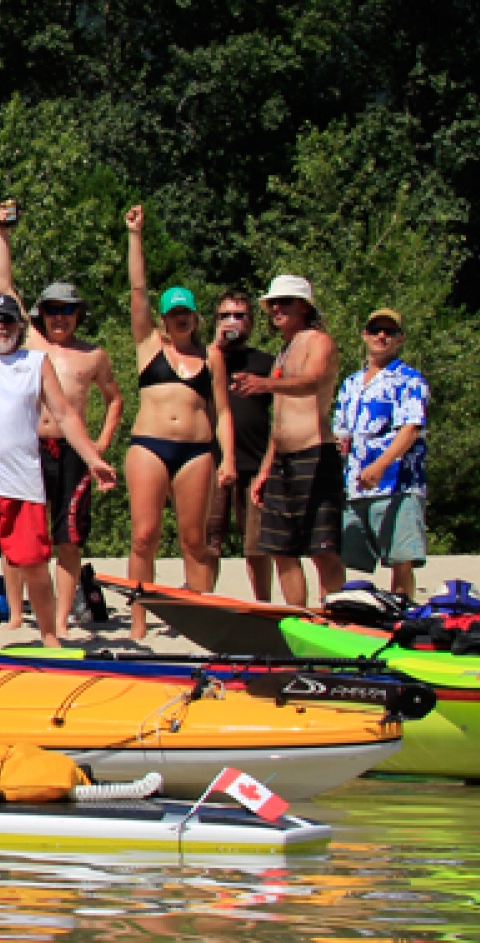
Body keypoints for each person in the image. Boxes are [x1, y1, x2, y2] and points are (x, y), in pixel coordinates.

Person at [0, 213, 119, 649]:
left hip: (22, 483)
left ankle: (51, 638)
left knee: (35, 563)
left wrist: (95, 458)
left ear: (21, 327)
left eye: (8, 323)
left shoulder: (34, 363)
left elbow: (67, 416)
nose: (0, 328)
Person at [0, 213, 123, 629]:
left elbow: (114, 400)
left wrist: (100, 445)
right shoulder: (31, 341)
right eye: (52, 310)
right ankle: (15, 614)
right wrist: (3, 237)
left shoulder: (92, 355)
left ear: (78, 314)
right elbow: (3, 288)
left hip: (72, 453)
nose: (59, 318)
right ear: (42, 314)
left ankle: (63, 617)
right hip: (28, 446)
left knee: (69, 538)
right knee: (17, 534)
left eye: (67, 311)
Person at [120, 205, 234, 638]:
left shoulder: (211, 356)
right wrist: (135, 236)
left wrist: (228, 459)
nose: (180, 318)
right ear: (164, 319)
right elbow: (137, 290)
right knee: (144, 536)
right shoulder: (149, 344)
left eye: (187, 312)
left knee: (195, 540)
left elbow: (221, 410)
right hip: (149, 444)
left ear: (195, 316)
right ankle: (138, 620)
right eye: (173, 313)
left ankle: (200, 618)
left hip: (197, 449)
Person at [243, 275, 346, 605]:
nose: (276, 308)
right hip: (283, 458)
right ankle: (298, 619)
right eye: (272, 303)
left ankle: (334, 622)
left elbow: (313, 382)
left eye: (284, 301)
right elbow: (281, 418)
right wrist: (264, 469)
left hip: (315, 451)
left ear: (303, 306)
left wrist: (265, 385)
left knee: (322, 549)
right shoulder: (283, 352)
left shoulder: (319, 341)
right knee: (280, 549)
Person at [333, 309, 430, 598]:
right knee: (346, 558)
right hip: (355, 487)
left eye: (389, 332)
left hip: (398, 485)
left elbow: (411, 429)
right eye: (375, 330)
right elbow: (341, 432)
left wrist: (380, 465)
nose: (382, 336)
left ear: (400, 340)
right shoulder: (350, 383)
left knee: (400, 560)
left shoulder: (409, 379)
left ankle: (401, 614)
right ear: (364, 335)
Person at [209, 289, 278, 598]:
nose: (232, 322)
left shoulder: (265, 362)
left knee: (257, 545)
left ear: (251, 323)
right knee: (208, 541)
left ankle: (263, 606)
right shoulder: (204, 358)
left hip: (255, 462)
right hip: (212, 461)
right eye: (225, 316)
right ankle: (202, 604)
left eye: (239, 316)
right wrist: (215, 345)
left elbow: (287, 410)